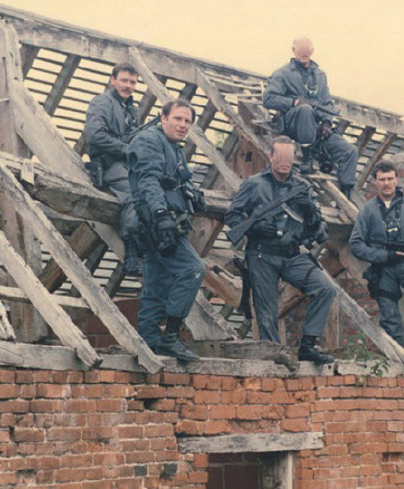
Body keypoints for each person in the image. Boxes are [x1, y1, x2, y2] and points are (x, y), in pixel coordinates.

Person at [225, 136, 335, 365]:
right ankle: (274, 356)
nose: (285, 162)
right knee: (266, 310)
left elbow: (316, 229)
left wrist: (311, 213)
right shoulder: (254, 184)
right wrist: (254, 228)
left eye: (290, 157)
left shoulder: (302, 187)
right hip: (262, 253)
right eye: (281, 156)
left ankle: (307, 345)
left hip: (292, 253)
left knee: (325, 288)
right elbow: (232, 216)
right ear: (271, 156)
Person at [127, 99, 207, 362]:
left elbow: (178, 179)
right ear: (163, 118)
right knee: (193, 268)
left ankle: (149, 341)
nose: (183, 125)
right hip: (155, 222)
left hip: (169, 222)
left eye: (187, 121)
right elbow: (148, 180)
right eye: (178, 119)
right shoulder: (149, 141)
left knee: (156, 283)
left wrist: (193, 193)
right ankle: (171, 336)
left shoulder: (175, 148)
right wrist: (161, 215)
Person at [349, 161, 404, 364]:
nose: (387, 183)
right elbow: (356, 245)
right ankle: (398, 359)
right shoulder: (368, 211)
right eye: (382, 179)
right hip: (384, 270)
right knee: (390, 318)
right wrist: (383, 256)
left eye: (390, 179)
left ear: (397, 180)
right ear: (375, 183)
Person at [263, 37, 358, 199]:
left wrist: (327, 123)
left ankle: (346, 192)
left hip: (315, 128)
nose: (304, 56)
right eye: (301, 53)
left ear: (312, 52)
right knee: (305, 109)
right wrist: (294, 102)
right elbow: (268, 99)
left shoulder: (320, 75)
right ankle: (308, 156)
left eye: (307, 53)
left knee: (350, 151)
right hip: (292, 124)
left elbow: (327, 103)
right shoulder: (283, 73)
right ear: (293, 51)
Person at [84, 62, 143, 277]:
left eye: (133, 82)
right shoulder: (102, 103)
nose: (128, 86)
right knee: (133, 194)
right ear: (113, 80)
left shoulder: (132, 110)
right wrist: (125, 148)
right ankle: (131, 255)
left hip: (126, 163)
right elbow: (94, 135)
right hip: (108, 164)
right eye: (124, 80)